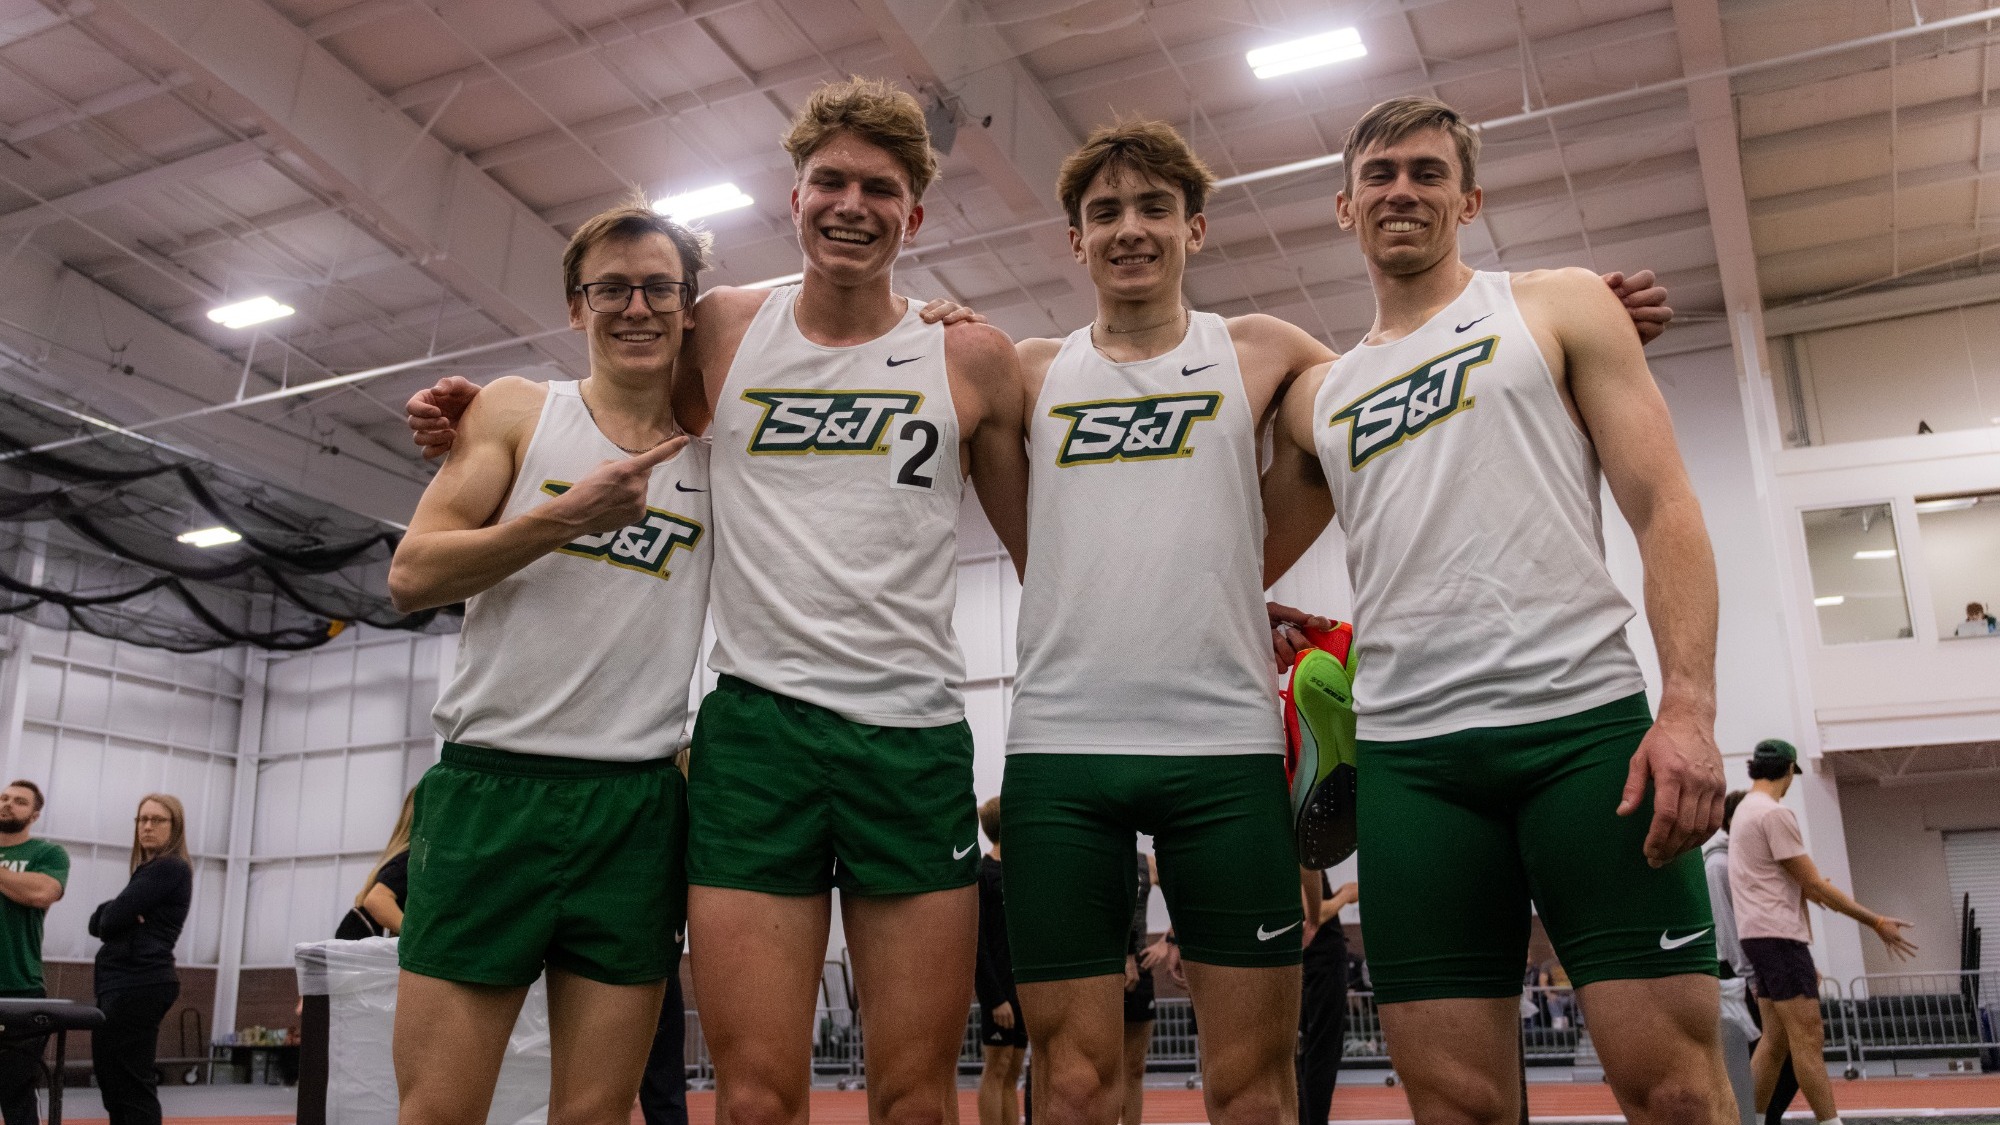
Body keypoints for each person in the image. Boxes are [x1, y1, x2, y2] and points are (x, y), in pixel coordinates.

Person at [999, 117, 1671, 1125]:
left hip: (1222, 748)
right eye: (1103, 213)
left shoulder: (1266, 352)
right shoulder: (1023, 371)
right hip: (1059, 744)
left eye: (1152, 208)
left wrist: (1578, 336)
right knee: (1077, 1082)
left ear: (1197, 229)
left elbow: (1395, 379)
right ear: (1073, 240)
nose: (1128, 228)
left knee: (1253, 1090)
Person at [404, 78, 1030, 1125]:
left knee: (917, 1095)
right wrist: (474, 420)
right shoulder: (727, 327)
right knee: (751, 1097)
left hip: (911, 740)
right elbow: (615, 384)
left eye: (878, 188)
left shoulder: (967, 354)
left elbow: (1039, 553)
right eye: (826, 180)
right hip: (754, 738)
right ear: (791, 200)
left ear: (913, 215)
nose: (849, 204)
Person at [1261, 96, 1732, 1124]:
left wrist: (1687, 708)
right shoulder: (1316, 394)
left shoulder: (1557, 304)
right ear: (1342, 206)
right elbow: (1229, 546)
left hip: (1582, 738)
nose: (1401, 190)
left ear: (1467, 199)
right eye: (1378, 174)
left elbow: (1663, 507)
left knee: (1675, 1093)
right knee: (1454, 1107)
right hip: (1412, 768)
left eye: (1427, 173)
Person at [384, 197, 712, 1125]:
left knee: (599, 1113)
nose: (636, 307)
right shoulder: (518, 411)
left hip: (636, 807)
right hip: (491, 793)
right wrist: (562, 516)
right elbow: (411, 574)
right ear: (577, 307)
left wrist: (937, 311)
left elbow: (819, 312)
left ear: (691, 305)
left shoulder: (721, 449)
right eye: (611, 288)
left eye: (658, 288)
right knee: (441, 1110)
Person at [1729, 739, 1915, 1125]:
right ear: (1787, 771)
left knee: (1774, 1041)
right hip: (1780, 938)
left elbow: (1792, 882)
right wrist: (1876, 921)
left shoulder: (1745, 809)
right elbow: (1813, 885)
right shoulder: (1773, 813)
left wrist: (1814, 889)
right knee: (1809, 1041)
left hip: (1756, 937)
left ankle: (1750, 1121)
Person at [89, 794, 192, 1125]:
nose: (147, 826)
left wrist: (117, 913)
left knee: (130, 1084)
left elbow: (107, 922)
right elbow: (100, 921)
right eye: (142, 819)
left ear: (174, 827)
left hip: (140, 982)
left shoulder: (169, 867)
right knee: (113, 1082)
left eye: (157, 820)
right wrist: (119, 912)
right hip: (122, 983)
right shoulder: (146, 872)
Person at [1707, 790, 1798, 1125]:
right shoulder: (1718, 865)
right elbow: (1728, 929)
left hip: (1762, 967)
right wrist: (1751, 977)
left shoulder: (1750, 859)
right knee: (1766, 1054)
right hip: (1739, 973)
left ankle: (1762, 1117)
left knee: (1795, 1050)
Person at [0, 780, 67, 1125]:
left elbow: (42, 892)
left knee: (14, 1087)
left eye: (20, 802)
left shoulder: (47, 854)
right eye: (4, 798)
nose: (8, 804)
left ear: (35, 814)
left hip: (20, 987)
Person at [975, 798, 1026, 1125]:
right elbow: (977, 944)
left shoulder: (1020, 872)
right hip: (999, 994)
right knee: (996, 1068)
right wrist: (994, 998)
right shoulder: (983, 874)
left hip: (1021, 990)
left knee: (1012, 1071)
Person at [1297, 876, 1356, 1125]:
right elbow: (1315, 916)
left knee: (1310, 1051)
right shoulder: (1301, 847)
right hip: (1321, 960)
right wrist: (1344, 896)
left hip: (1303, 961)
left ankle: (1305, 1118)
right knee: (1322, 1050)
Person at [336, 790, 412, 939]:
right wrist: (414, 939)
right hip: (362, 941)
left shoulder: (400, 856)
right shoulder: (410, 858)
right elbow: (376, 900)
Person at [1118, 851, 1156, 1125]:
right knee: (1100, 1069)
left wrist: (1171, 942)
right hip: (1104, 966)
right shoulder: (1101, 851)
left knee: (1134, 1068)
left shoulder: (1148, 862)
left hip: (1140, 969)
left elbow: (1188, 894)